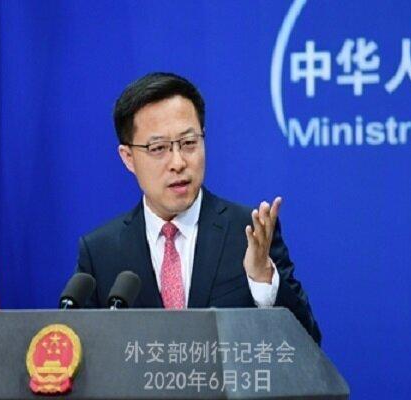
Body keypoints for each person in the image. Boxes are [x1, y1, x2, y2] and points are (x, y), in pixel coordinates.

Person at [76, 72, 321, 345]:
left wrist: (263, 280)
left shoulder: (249, 233)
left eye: (189, 143)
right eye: (158, 148)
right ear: (128, 157)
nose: (178, 162)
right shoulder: (101, 253)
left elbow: (308, 344)